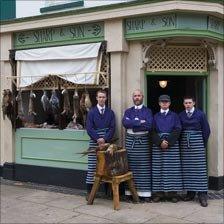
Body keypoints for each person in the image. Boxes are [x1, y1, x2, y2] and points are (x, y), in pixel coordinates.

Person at [122, 89, 153, 202]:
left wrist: (133, 124)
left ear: (142, 97)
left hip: (143, 142)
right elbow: (125, 123)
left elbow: (149, 125)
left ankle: (144, 194)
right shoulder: (128, 111)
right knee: (130, 167)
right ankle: (130, 193)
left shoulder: (148, 111)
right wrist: (140, 122)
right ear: (132, 97)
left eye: (139, 95)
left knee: (143, 168)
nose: (137, 97)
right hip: (131, 143)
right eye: (135, 96)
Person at [179, 96, 210, 207]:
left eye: (189, 103)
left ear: (194, 103)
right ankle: (190, 193)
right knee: (188, 169)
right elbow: (179, 130)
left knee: (199, 170)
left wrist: (202, 144)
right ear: (183, 104)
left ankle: (202, 195)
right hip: (185, 146)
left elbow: (206, 130)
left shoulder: (200, 114)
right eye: (186, 103)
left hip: (198, 145)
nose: (188, 105)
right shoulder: (181, 115)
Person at [152, 95, 183, 203]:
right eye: (162, 102)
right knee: (158, 169)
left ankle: (172, 194)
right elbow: (152, 131)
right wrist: (160, 142)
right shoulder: (155, 116)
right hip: (158, 145)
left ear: (169, 103)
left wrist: (168, 142)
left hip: (172, 145)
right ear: (159, 103)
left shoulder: (175, 116)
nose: (164, 103)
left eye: (166, 102)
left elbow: (178, 129)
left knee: (173, 170)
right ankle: (158, 193)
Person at [86, 90, 116, 199]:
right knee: (93, 166)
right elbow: (89, 128)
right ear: (96, 98)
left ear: (106, 98)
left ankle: (107, 193)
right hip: (94, 142)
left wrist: (105, 138)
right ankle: (89, 192)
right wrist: (98, 138)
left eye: (103, 97)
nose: (102, 99)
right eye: (100, 97)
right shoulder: (91, 112)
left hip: (107, 143)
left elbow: (113, 128)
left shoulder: (110, 112)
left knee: (107, 166)